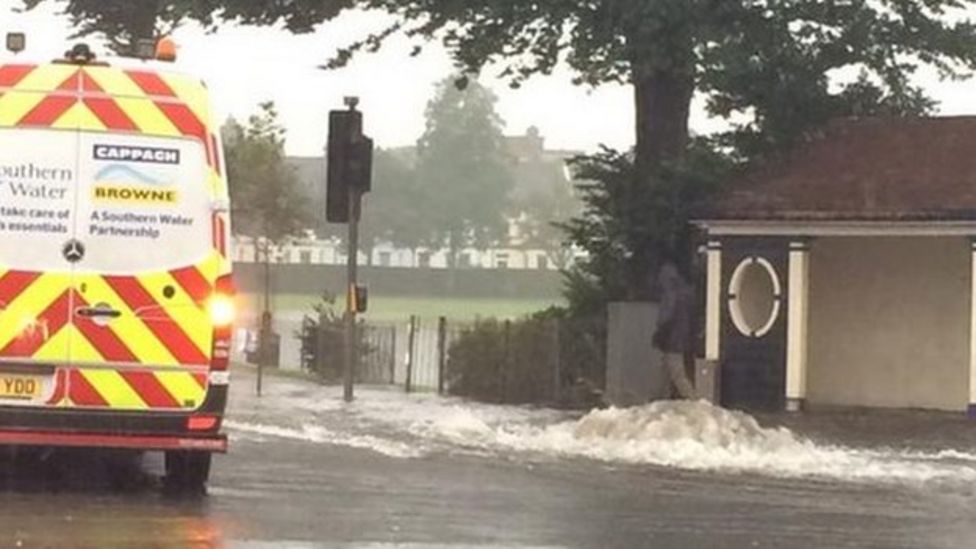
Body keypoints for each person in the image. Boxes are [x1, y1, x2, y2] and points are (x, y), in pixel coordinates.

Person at [653, 261, 697, 400]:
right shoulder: (687, 293)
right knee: (665, 371)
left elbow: (667, 316)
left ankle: (696, 402)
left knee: (677, 373)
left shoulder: (671, 293)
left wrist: (659, 330)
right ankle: (657, 399)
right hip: (682, 337)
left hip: (672, 339)